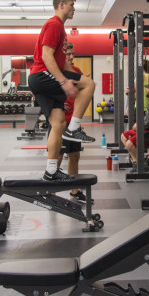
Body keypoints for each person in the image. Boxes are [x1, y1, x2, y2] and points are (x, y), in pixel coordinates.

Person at [28, 0, 96, 181]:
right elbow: (46, 56)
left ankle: (50, 171)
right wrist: (64, 81)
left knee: (58, 124)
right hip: (41, 74)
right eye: (72, 4)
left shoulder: (61, 29)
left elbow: (64, 64)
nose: (74, 8)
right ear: (61, 5)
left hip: (39, 77)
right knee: (90, 85)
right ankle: (74, 129)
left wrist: (77, 78)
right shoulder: (54, 24)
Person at [56, 43, 86, 201]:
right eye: (68, 54)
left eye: (72, 54)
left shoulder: (77, 72)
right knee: (58, 156)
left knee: (74, 155)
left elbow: (84, 91)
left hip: (74, 121)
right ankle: (51, 192)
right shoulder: (54, 73)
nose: (71, 57)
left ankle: (74, 191)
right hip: (59, 121)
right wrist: (58, 102)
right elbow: (39, 94)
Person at [121, 84, 149, 172]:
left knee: (129, 144)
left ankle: (139, 164)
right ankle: (139, 163)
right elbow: (148, 119)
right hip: (146, 129)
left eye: (147, 89)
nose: (146, 91)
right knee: (124, 136)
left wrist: (139, 125)